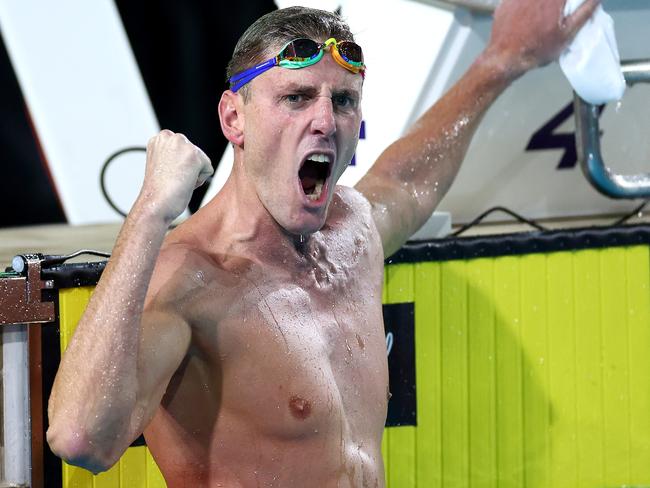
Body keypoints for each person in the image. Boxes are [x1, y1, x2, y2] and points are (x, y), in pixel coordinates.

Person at [46, 0, 599, 486]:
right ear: (233, 117)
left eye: (342, 101)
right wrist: (148, 214)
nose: (324, 120)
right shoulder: (189, 280)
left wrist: (503, 58)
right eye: (296, 97)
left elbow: (405, 182)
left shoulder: (351, 232)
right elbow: (80, 441)